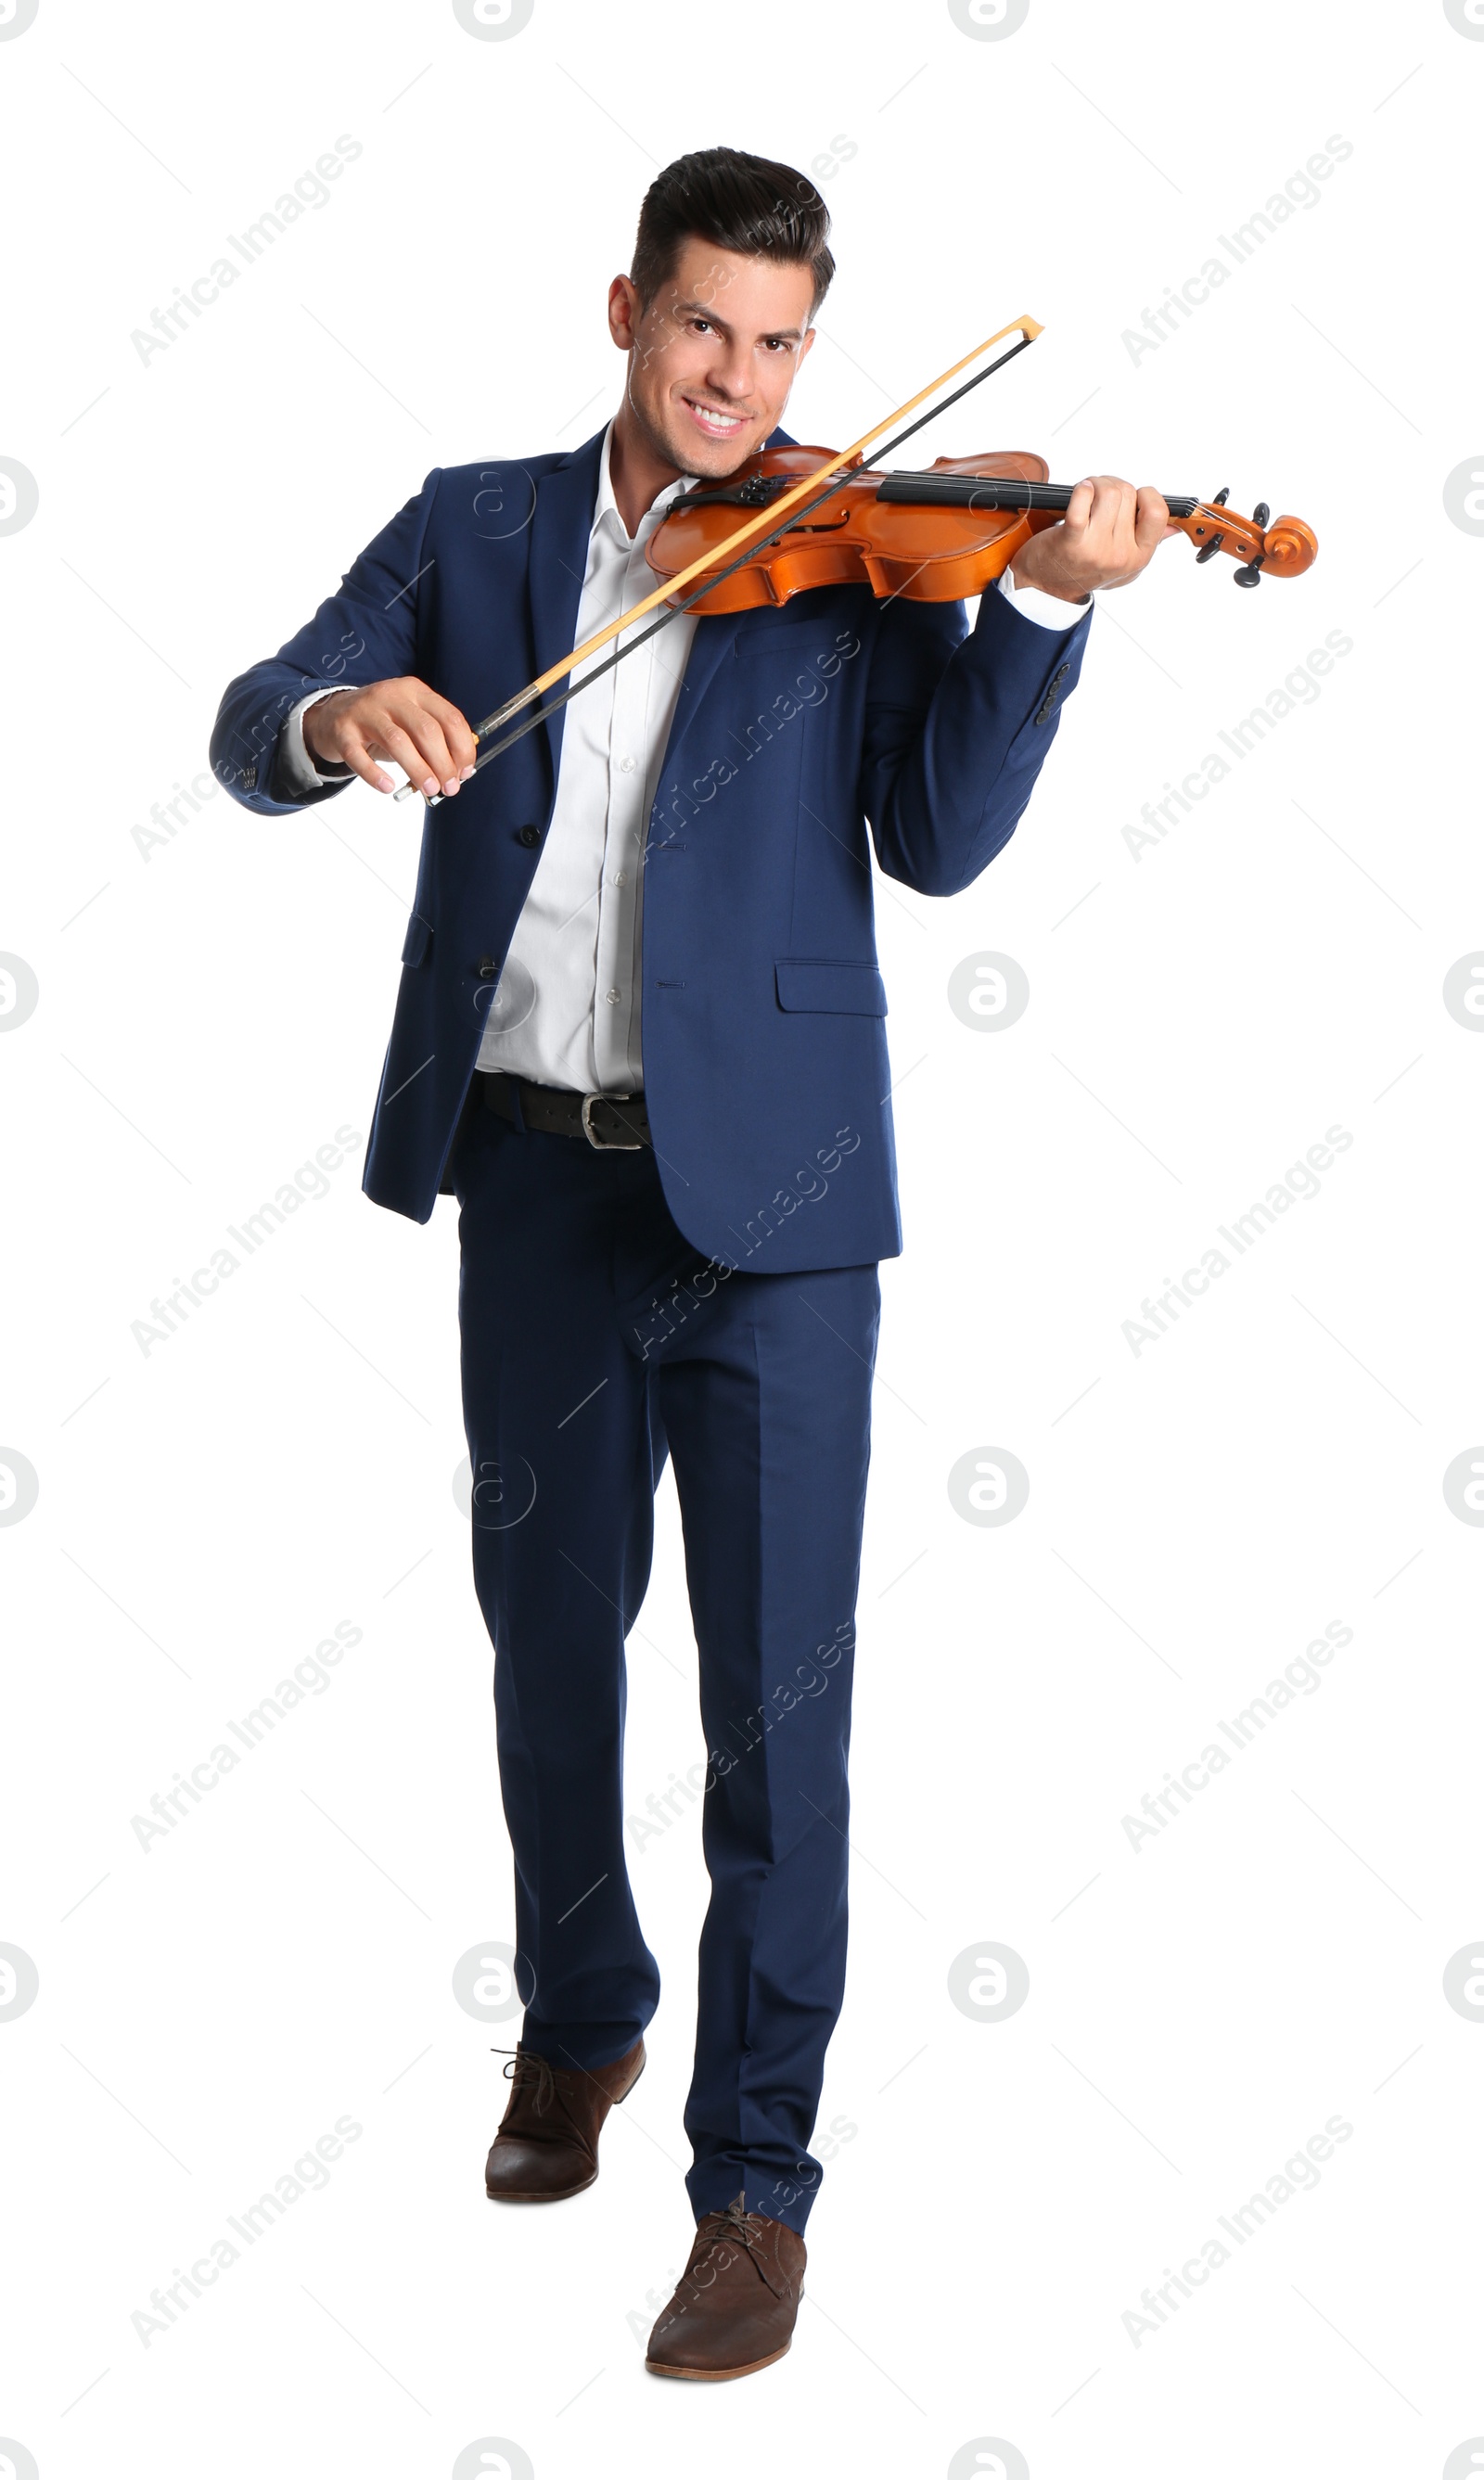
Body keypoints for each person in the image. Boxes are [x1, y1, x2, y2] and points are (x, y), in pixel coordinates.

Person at [211, 144, 1171, 2383]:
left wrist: (1037, 608)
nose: (736, 380)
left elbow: (930, 844)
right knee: (547, 1647)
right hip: (537, 1186)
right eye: (698, 328)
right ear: (621, 307)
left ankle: (755, 2182)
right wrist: (334, 721)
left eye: (775, 340)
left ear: (808, 345)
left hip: (780, 1217)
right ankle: (578, 2017)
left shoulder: (864, 551)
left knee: (776, 1709)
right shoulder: (471, 526)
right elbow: (262, 701)